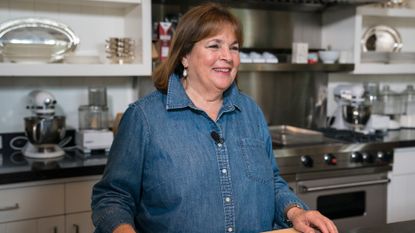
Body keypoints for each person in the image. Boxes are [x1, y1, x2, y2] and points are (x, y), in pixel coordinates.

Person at [91, 3, 338, 233]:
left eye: (234, 47)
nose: (227, 56)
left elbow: (270, 182)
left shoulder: (250, 111)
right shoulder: (144, 118)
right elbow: (112, 197)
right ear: (185, 56)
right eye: (214, 45)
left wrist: (295, 212)